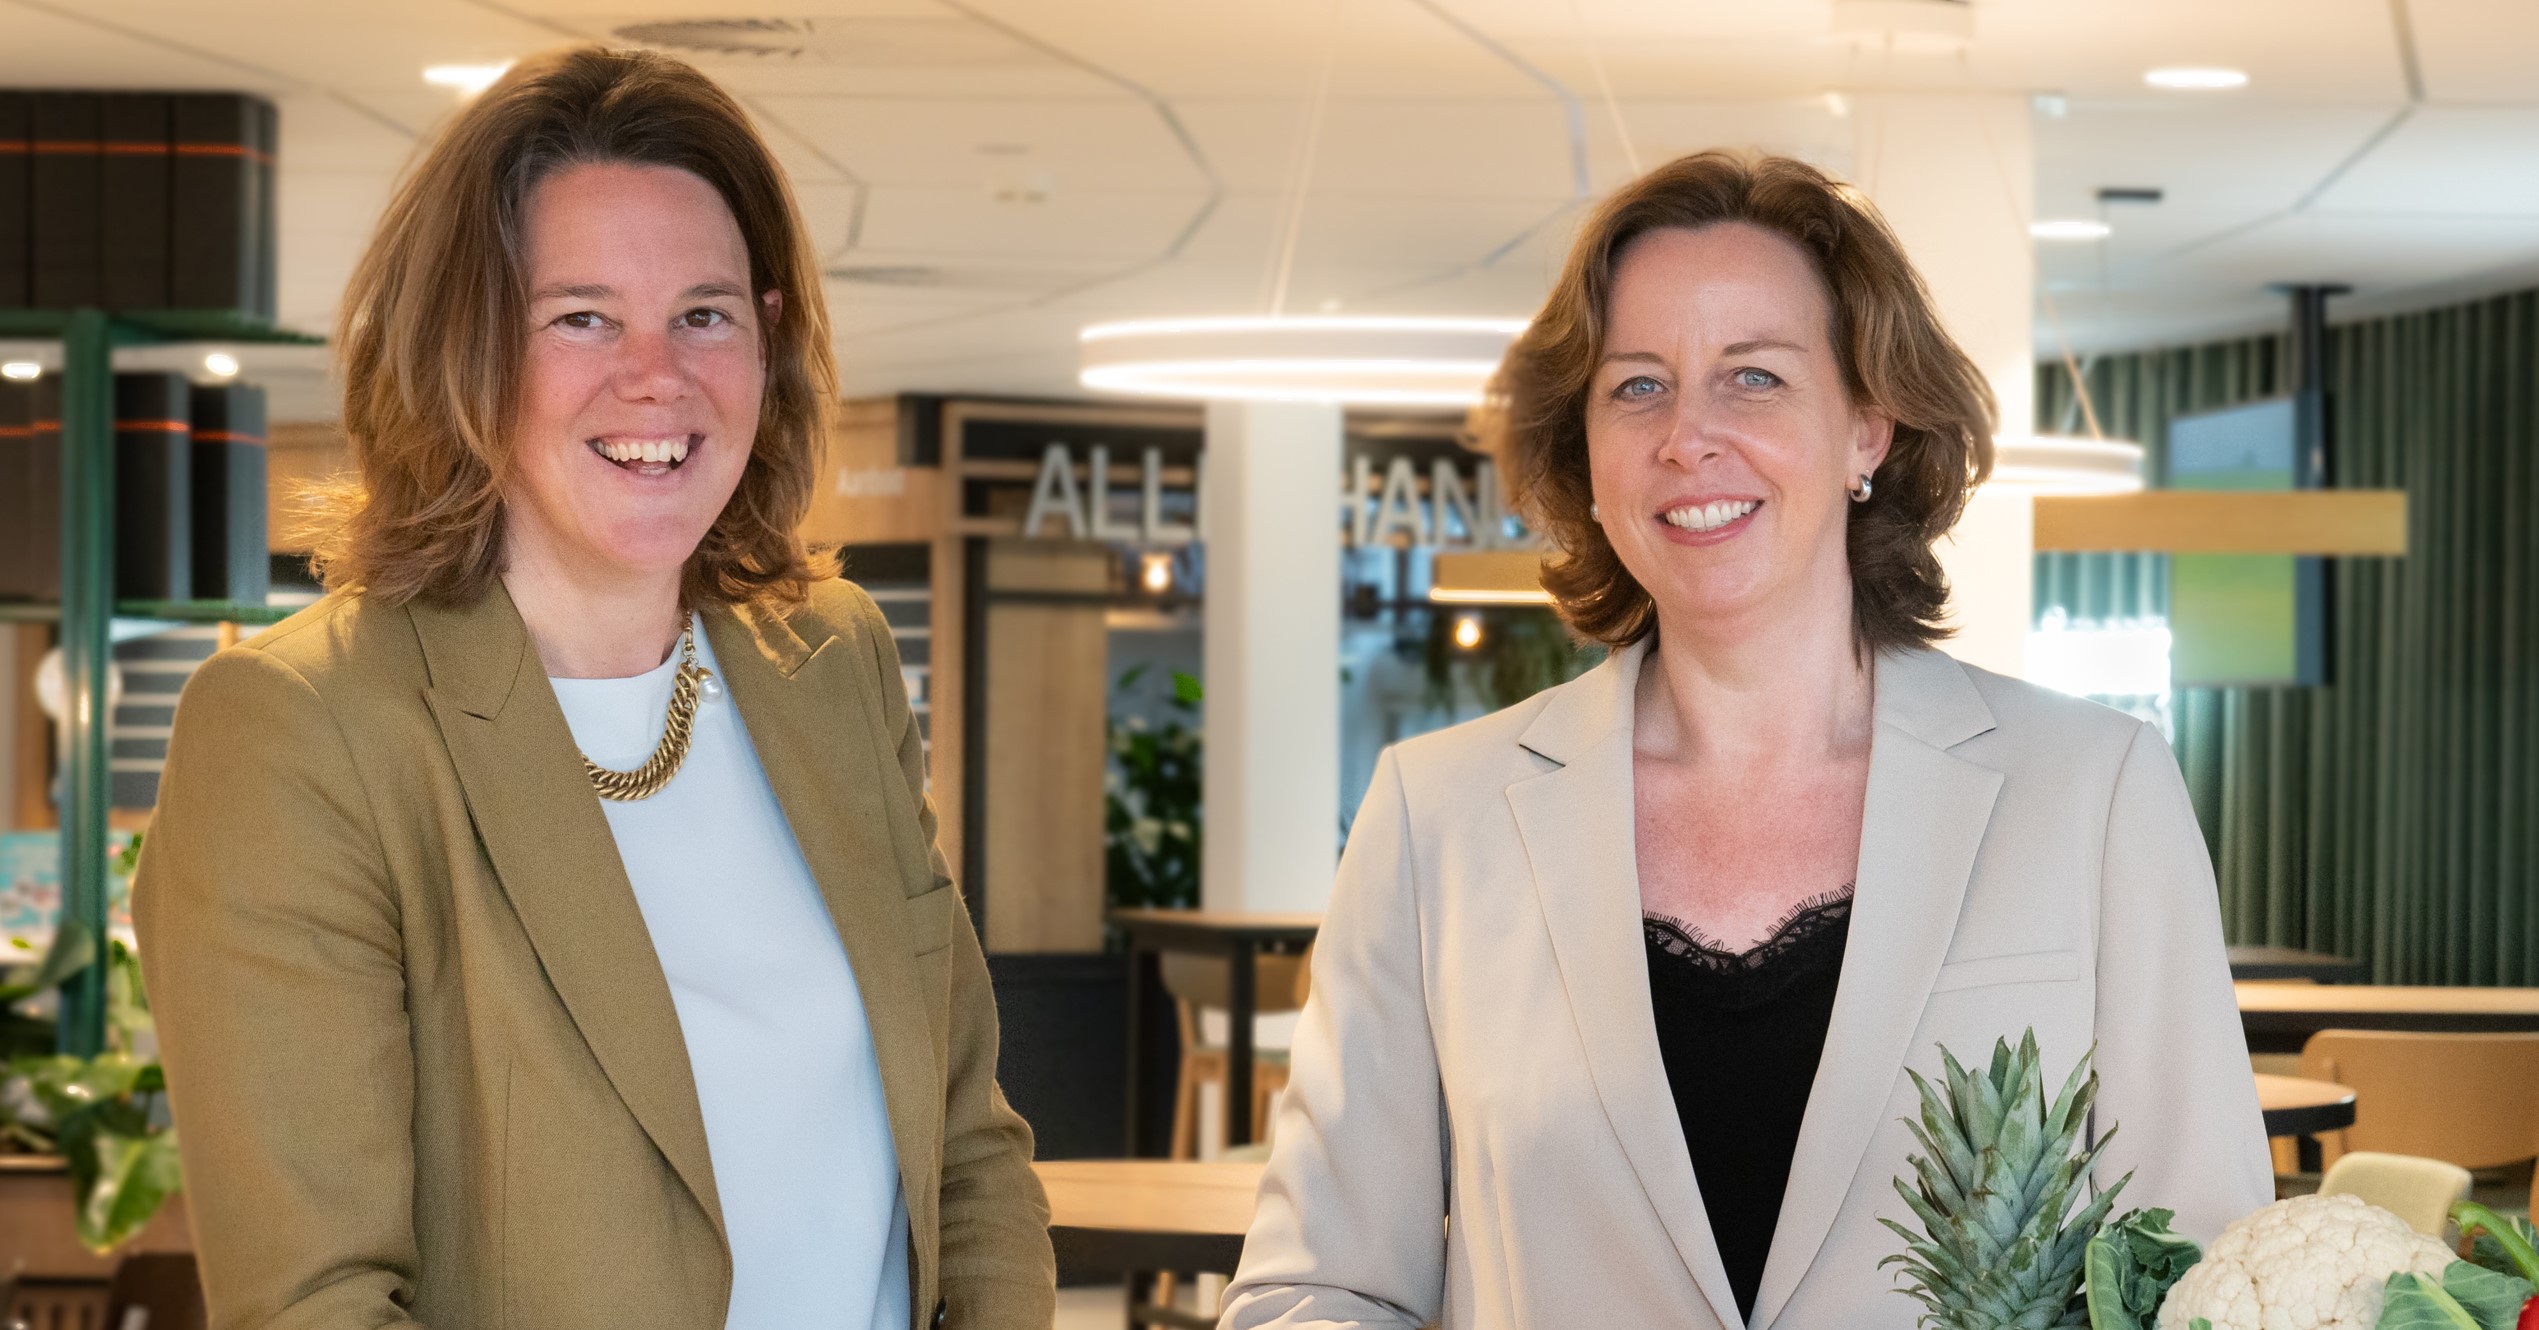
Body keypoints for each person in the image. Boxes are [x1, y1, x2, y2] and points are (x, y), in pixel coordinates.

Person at [1220, 151, 2271, 1330]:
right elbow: (1314, 1289)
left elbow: (2211, 1282)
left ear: (1867, 427)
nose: (1688, 436)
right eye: (1636, 387)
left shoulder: (2093, 792)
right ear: (1586, 451)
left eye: (1754, 377)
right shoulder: (1437, 817)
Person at [134, 46, 1053, 1330]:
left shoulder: (832, 661)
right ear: (465, 350)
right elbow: (316, 1301)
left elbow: (965, 1147)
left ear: (767, 338)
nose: (656, 376)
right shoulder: (303, 730)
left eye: (704, 314)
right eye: (582, 317)